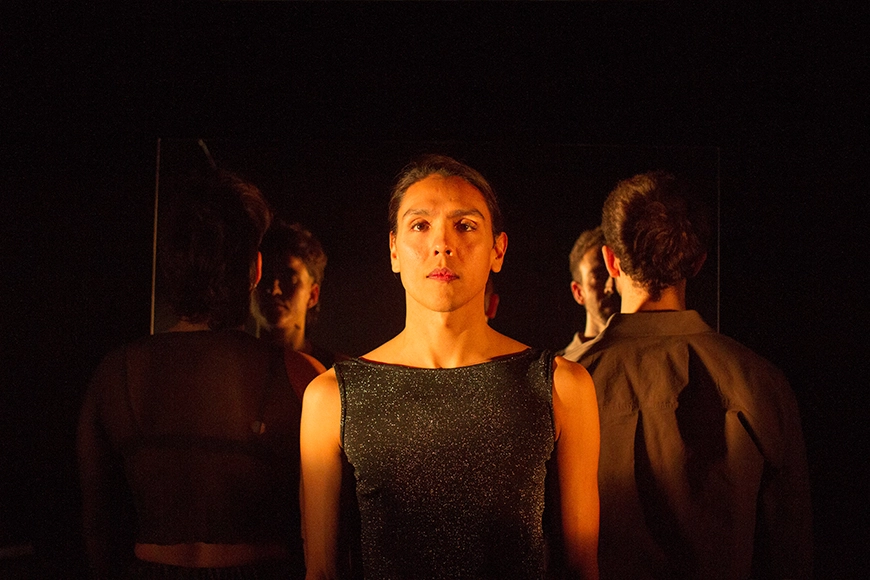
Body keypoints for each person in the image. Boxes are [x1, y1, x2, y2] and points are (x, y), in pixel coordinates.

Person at [300, 155, 600, 580]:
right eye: (420, 225)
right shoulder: (331, 397)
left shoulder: (561, 386)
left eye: (465, 225)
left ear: (498, 250)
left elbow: (581, 568)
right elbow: (321, 572)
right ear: (394, 250)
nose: (442, 244)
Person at [77, 169, 319, 579]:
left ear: (170, 266)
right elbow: (331, 529)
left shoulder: (113, 374)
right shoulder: (300, 376)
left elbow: (95, 523)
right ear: (256, 270)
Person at [574, 171, 812, 579]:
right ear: (698, 261)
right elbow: (790, 548)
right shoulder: (761, 382)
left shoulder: (568, 381)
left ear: (611, 261)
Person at [256, 219, 344, 370]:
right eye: (265, 276)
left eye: (289, 279)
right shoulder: (227, 366)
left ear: (312, 295)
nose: (275, 289)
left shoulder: (335, 373)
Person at [559, 227, 620, 360]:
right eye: (599, 276)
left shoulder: (645, 354)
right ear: (578, 292)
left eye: (617, 272)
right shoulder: (558, 366)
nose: (611, 286)